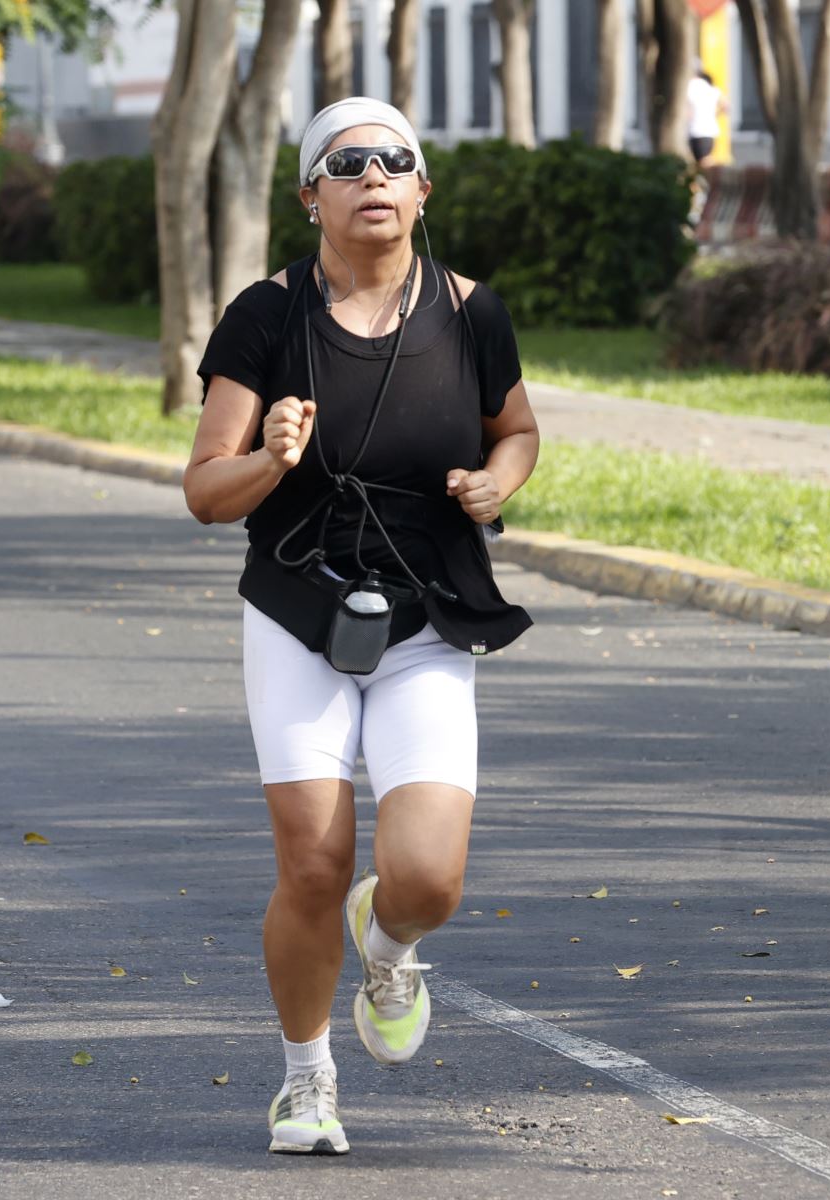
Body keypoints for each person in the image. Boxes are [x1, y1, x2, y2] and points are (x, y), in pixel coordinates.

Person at [183, 96, 540, 1156]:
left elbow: (516, 428)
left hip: (428, 616)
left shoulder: (472, 312)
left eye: (396, 161)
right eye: (349, 163)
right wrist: (273, 456)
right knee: (312, 864)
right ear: (312, 197)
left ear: (422, 190)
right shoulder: (266, 317)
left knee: (427, 876)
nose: (374, 176)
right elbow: (207, 490)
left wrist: (495, 481)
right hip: (302, 618)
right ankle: (306, 1081)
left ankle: (388, 951)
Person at [686, 69, 725, 170]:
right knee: (704, 159)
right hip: (709, 131)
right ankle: (709, 180)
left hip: (694, 130)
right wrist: (714, 114)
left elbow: (686, 109)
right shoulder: (712, 90)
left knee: (700, 162)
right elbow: (725, 106)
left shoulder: (690, 87)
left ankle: (707, 180)